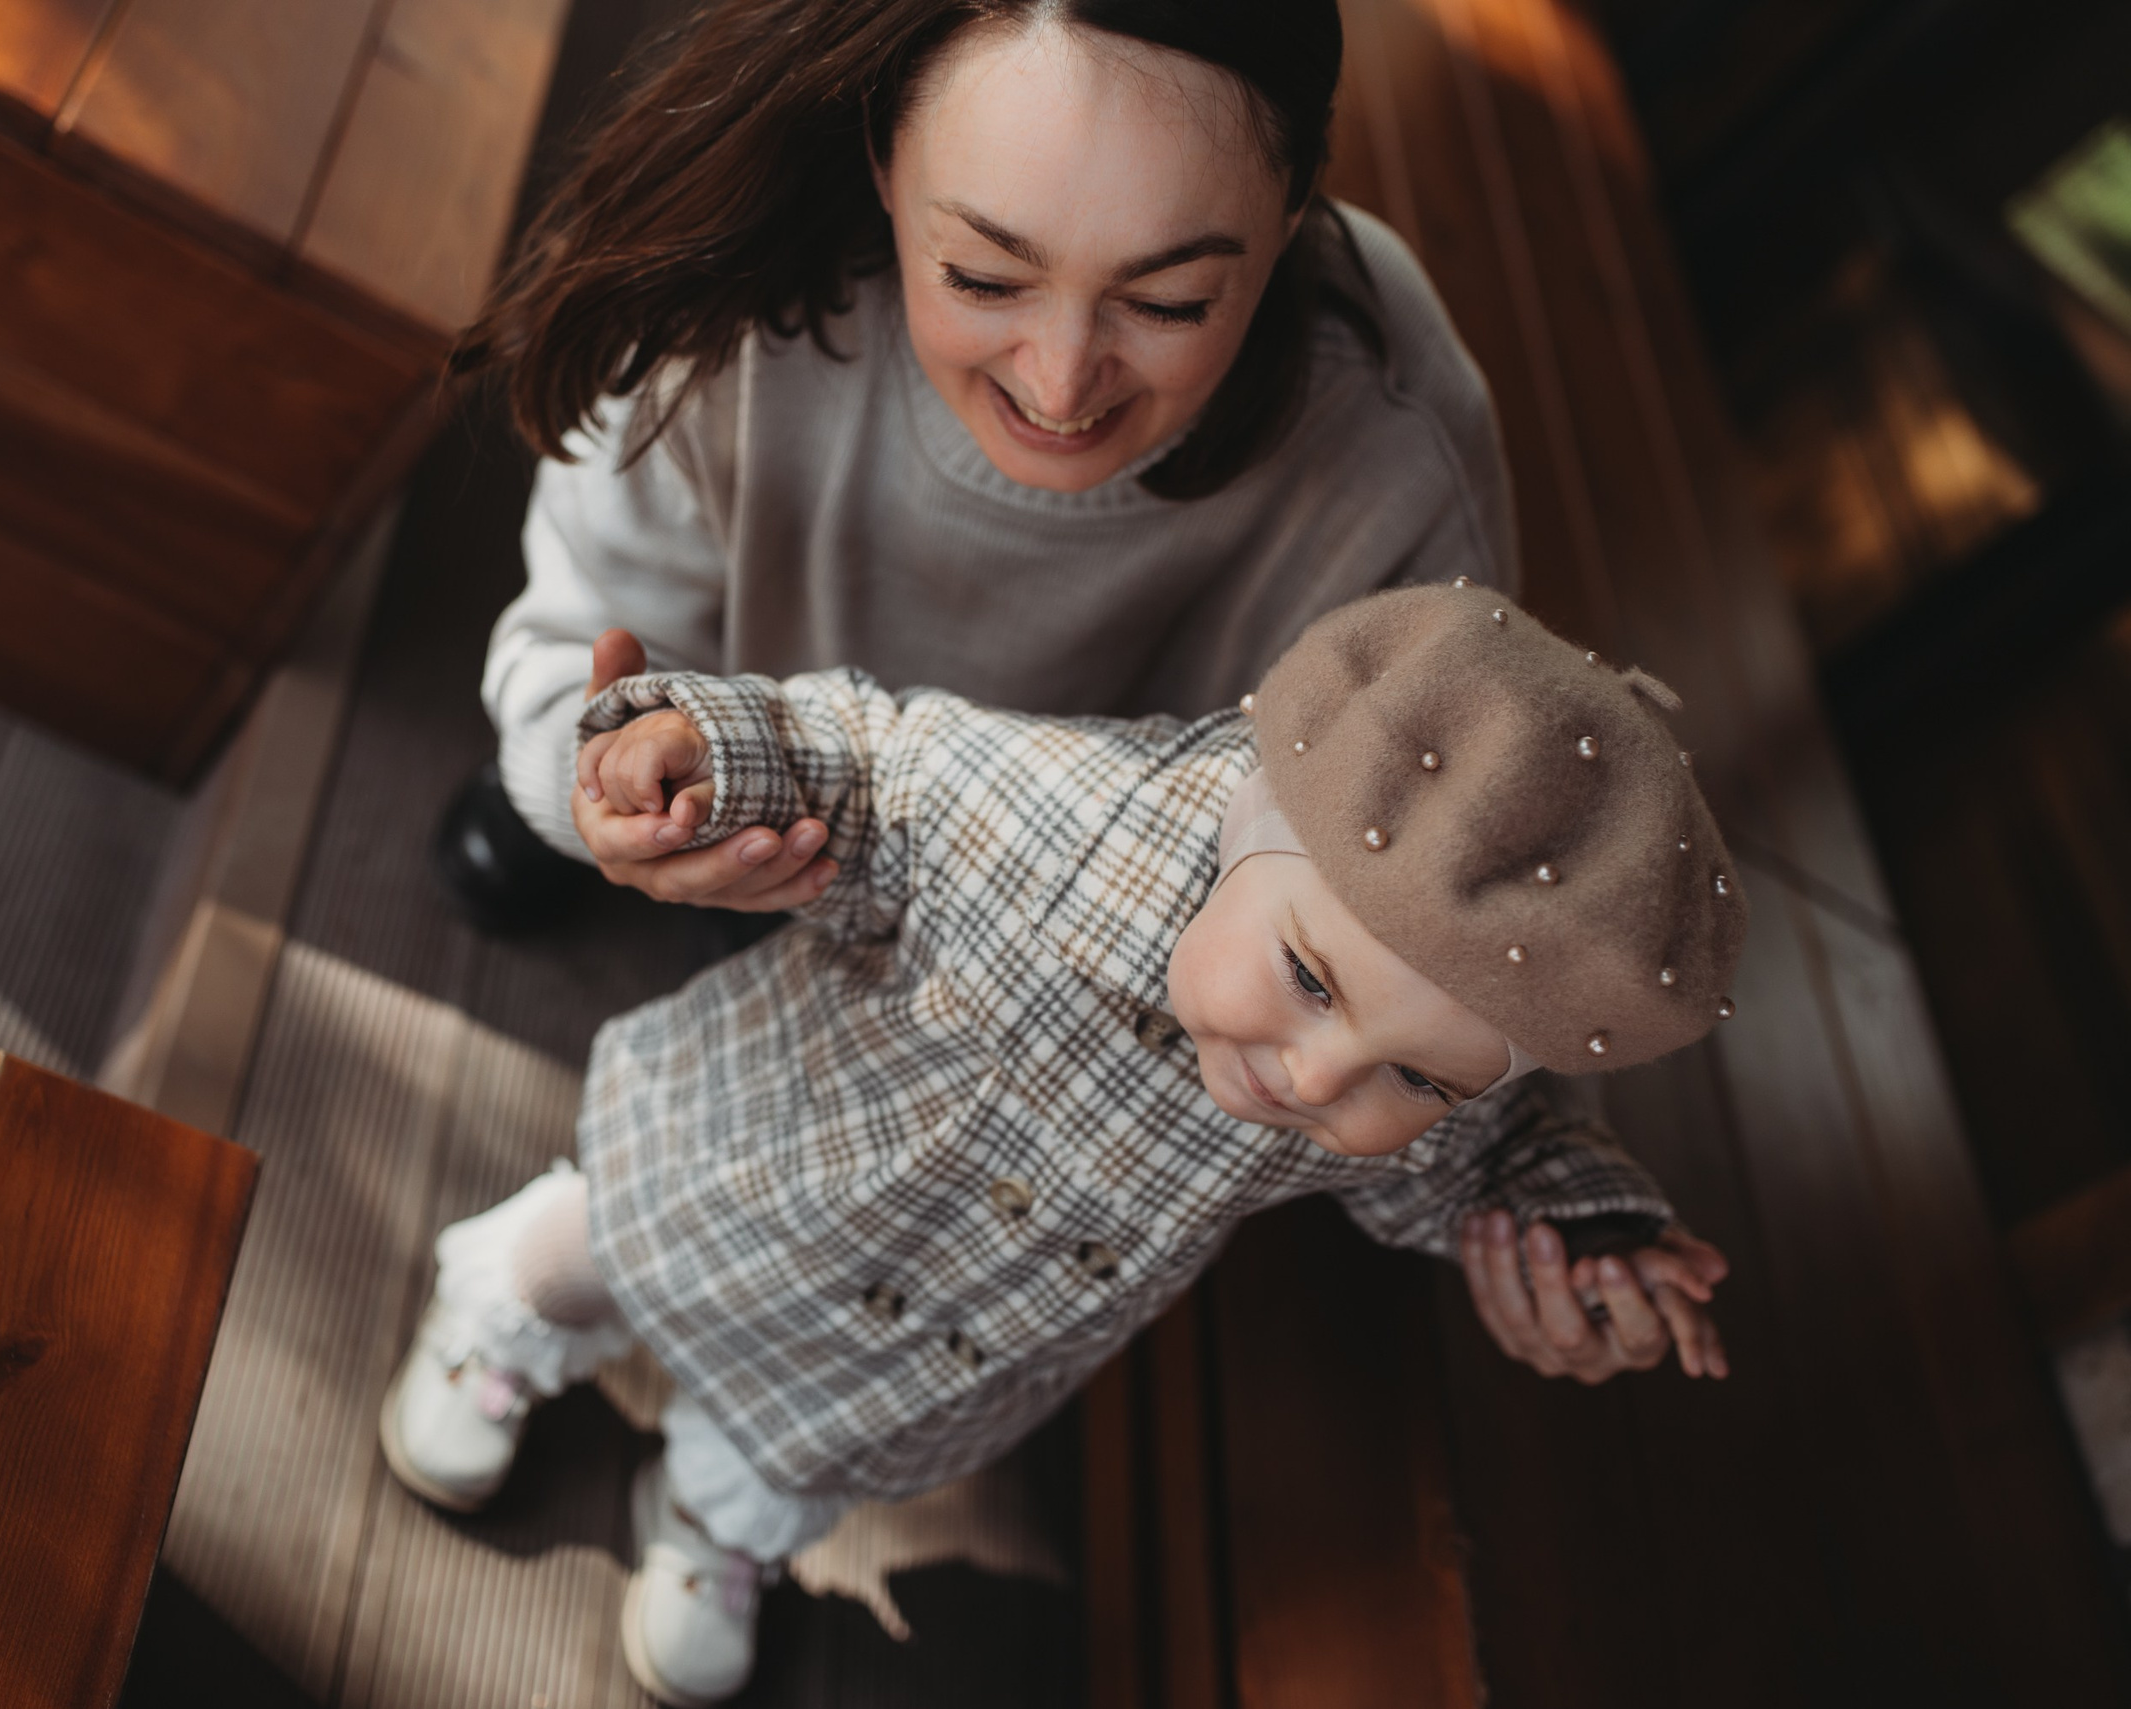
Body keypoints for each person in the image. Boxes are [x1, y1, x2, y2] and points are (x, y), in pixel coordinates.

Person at [383, 582, 1744, 1705]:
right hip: (756, 1154)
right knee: (605, 1236)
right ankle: (498, 1315)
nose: (1318, 1075)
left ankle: (712, 1520)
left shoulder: (1421, 1093)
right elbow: (870, 761)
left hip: (948, 1328)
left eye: (1416, 1076)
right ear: (1252, 821)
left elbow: (1487, 1163)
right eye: (1312, 980)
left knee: (801, 1445)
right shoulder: (1063, 823)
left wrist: (1582, 1233)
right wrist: (707, 755)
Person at [439, 0, 1519, 931]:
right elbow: (573, 639)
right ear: (882, 158)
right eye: (985, 277)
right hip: (755, 803)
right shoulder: (732, 294)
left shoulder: (1396, 432)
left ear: (1290, 216)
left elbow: (1432, 853)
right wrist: (599, 788)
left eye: (1166, 303)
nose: (1058, 388)